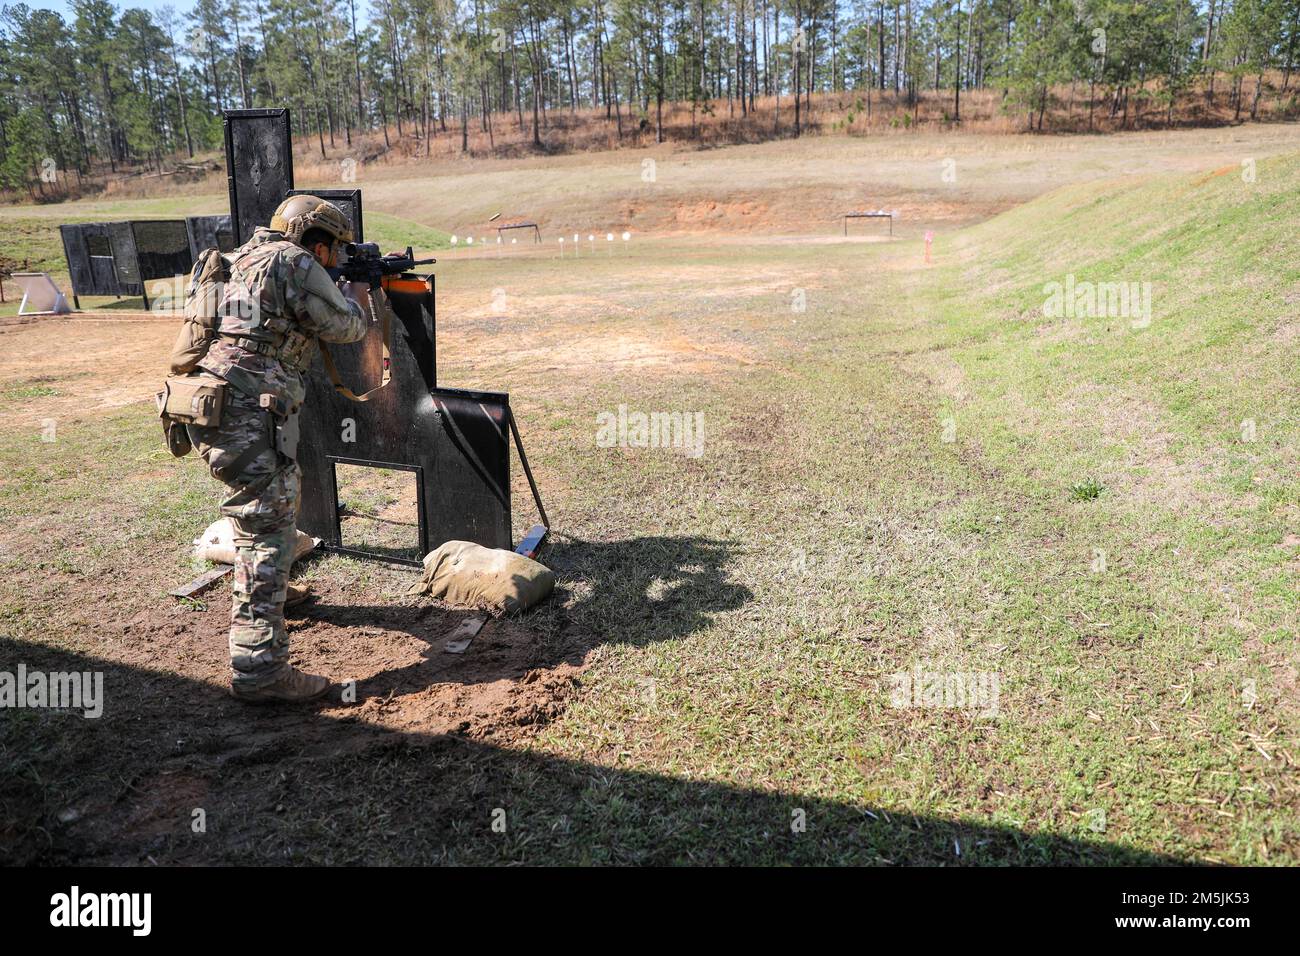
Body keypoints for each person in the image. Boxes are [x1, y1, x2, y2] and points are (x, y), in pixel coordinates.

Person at [187, 195, 369, 703]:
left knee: (268, 516)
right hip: (247, 416)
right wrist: (356, 293)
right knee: (266, 532)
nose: (333, 259)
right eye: (334, 250)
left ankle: (273, 591)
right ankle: (259, 670)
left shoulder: (241, 257)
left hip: (208, 409)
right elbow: (346, 327)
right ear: (316, 242)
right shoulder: (295, 262)